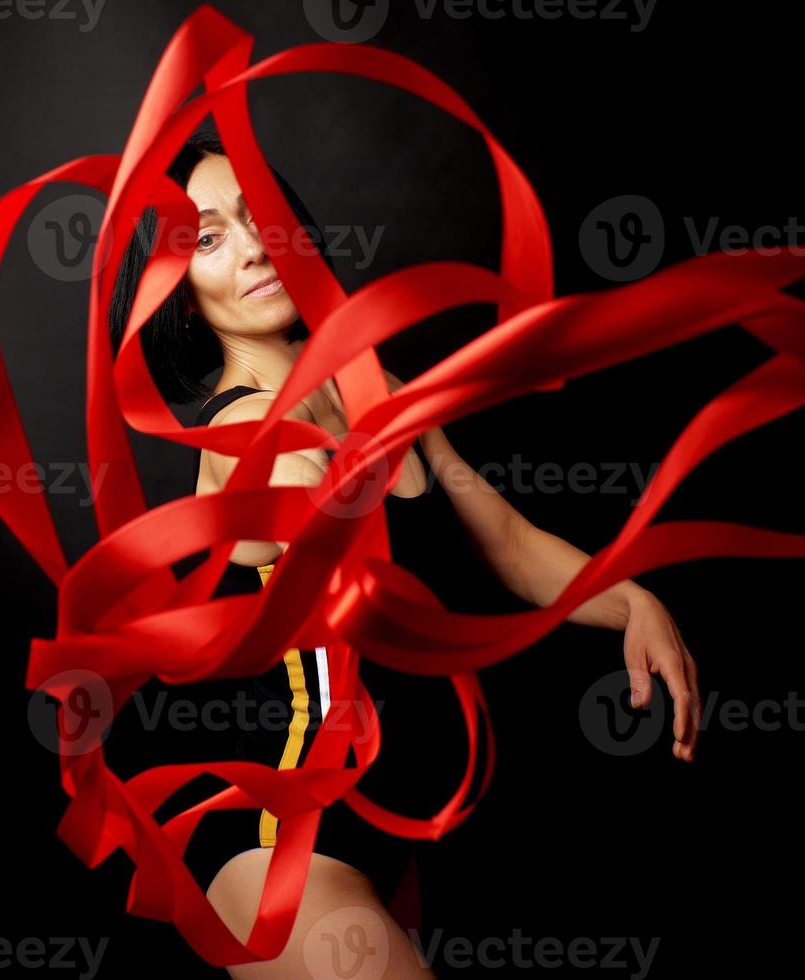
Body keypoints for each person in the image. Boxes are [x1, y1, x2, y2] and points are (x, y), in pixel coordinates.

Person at [109, 131, 702, 978]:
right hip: (294, 852)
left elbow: (507, 541)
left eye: (261, 216)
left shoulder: (372, 382)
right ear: (175, 288)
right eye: (207, 238)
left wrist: (636, 600)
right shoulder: (247, 432)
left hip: (402, 834)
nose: (253, 248)